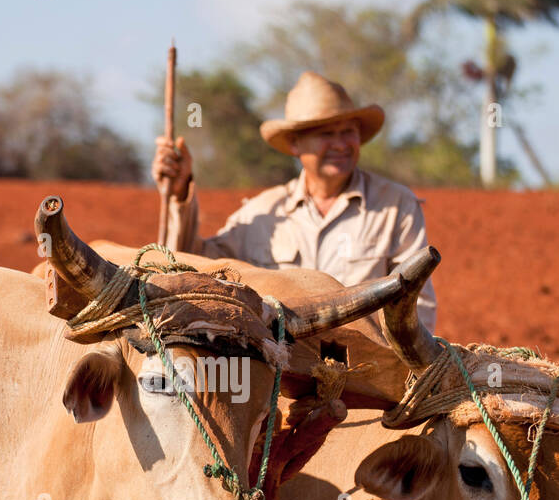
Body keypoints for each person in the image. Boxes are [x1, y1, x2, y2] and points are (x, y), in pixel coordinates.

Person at [152, 70, 436, 332]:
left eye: (348, 131)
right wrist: (179, 193)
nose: (340, 144)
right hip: (281, 376)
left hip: (366, 375)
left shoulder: (396, 206)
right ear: (295, 144)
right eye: (326, 133)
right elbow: (190, 267)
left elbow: (416, 303)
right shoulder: (262, 213)